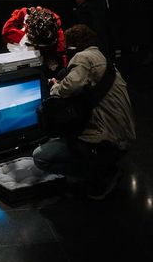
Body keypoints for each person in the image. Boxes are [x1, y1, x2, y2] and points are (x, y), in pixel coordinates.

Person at [32, 24, 136, 199]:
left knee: (41, 157)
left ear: (73, 45)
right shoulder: (100, 57)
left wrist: (55, 87)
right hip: (122, 137)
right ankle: (101, 168)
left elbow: (70, 86)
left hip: (107, 140)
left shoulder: (83, 57)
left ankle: (101, 174)